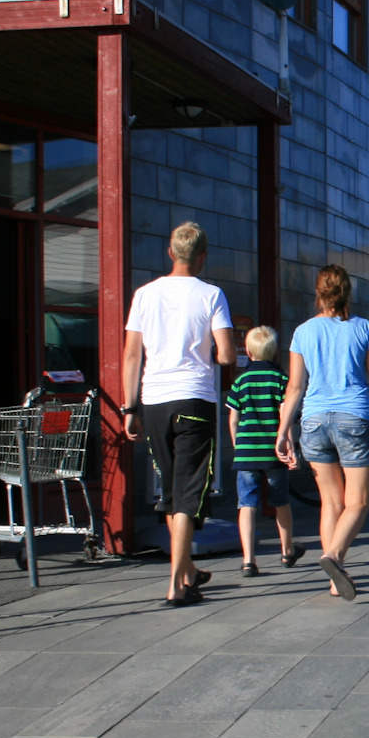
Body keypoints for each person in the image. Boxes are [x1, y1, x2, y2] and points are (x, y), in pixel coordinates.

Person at [121, 222, 234, 607]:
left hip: (154, 400)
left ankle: (186, 571)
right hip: (195, 400)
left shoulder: (144, 295)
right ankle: (177, 585)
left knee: (171, 491)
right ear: (203, 256)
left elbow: (132, 355)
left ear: (170, 253)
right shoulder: (211, 294)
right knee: (188, 493)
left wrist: (130, 407)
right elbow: (226, 355)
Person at [276, 264, 369, 601]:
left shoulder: (303, 331)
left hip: (313, 422)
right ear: (347, 292)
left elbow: (294, 388)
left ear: (318, 292)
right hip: (354, 419)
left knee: (331, 503)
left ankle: (335, 580)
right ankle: (333, 557)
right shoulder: (363, 328)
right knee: (357, 502)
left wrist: (283, 431)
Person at [226, 325, 301, 577]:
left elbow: (233, 419)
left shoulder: (240, 381)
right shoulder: (280, 379)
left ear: (248, 352)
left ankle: (248, 560)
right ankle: (287, 551)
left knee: (247, 504)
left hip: (247, 453)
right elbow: (285, 416)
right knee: (281, 502)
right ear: (274, 352)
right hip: (274, 452)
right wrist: (290, 446)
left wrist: (238, 446)